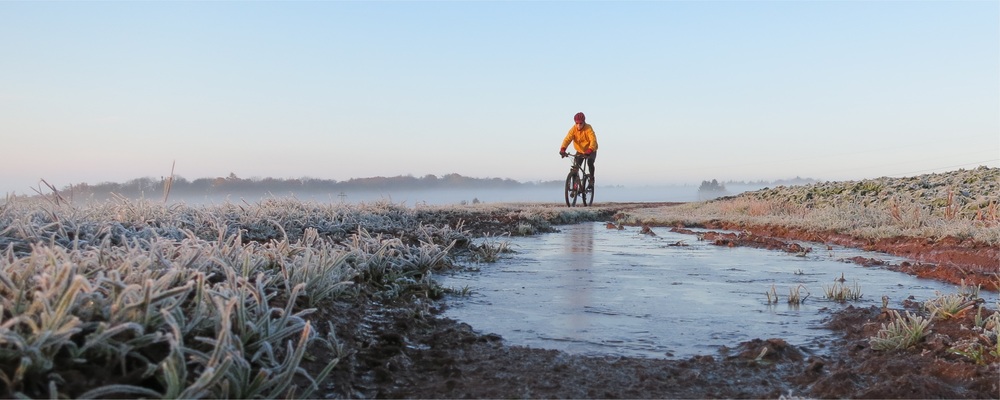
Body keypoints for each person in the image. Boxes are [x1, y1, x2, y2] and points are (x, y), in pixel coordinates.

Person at [559, 112, 598, 190]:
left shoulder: (588, 128)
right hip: (580, 151)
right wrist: (563, 149)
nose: (579, 125)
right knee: (575, 168)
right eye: (577, 123)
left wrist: (590, 150)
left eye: (581, 123)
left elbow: (593, 140)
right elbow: (567, 139)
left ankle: (591, 179)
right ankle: (575, 186)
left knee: (590, 162)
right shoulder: (573, 130)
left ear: (584, 122)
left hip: (591, 150)